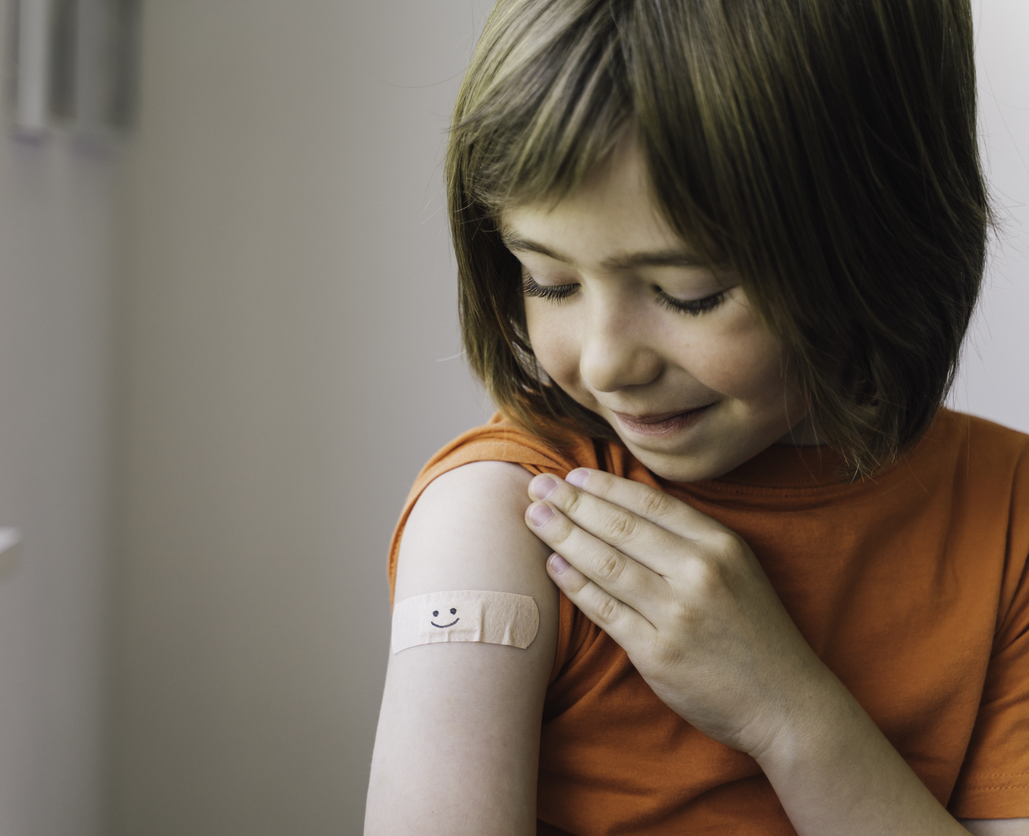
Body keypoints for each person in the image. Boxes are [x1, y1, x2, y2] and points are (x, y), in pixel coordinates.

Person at [363, 0, 1029, 834]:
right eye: (549, 282)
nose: (607, 363)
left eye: (689, 294)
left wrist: (786, 712)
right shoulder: (499, 518)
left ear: (877, 235)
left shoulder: (1010, 521)